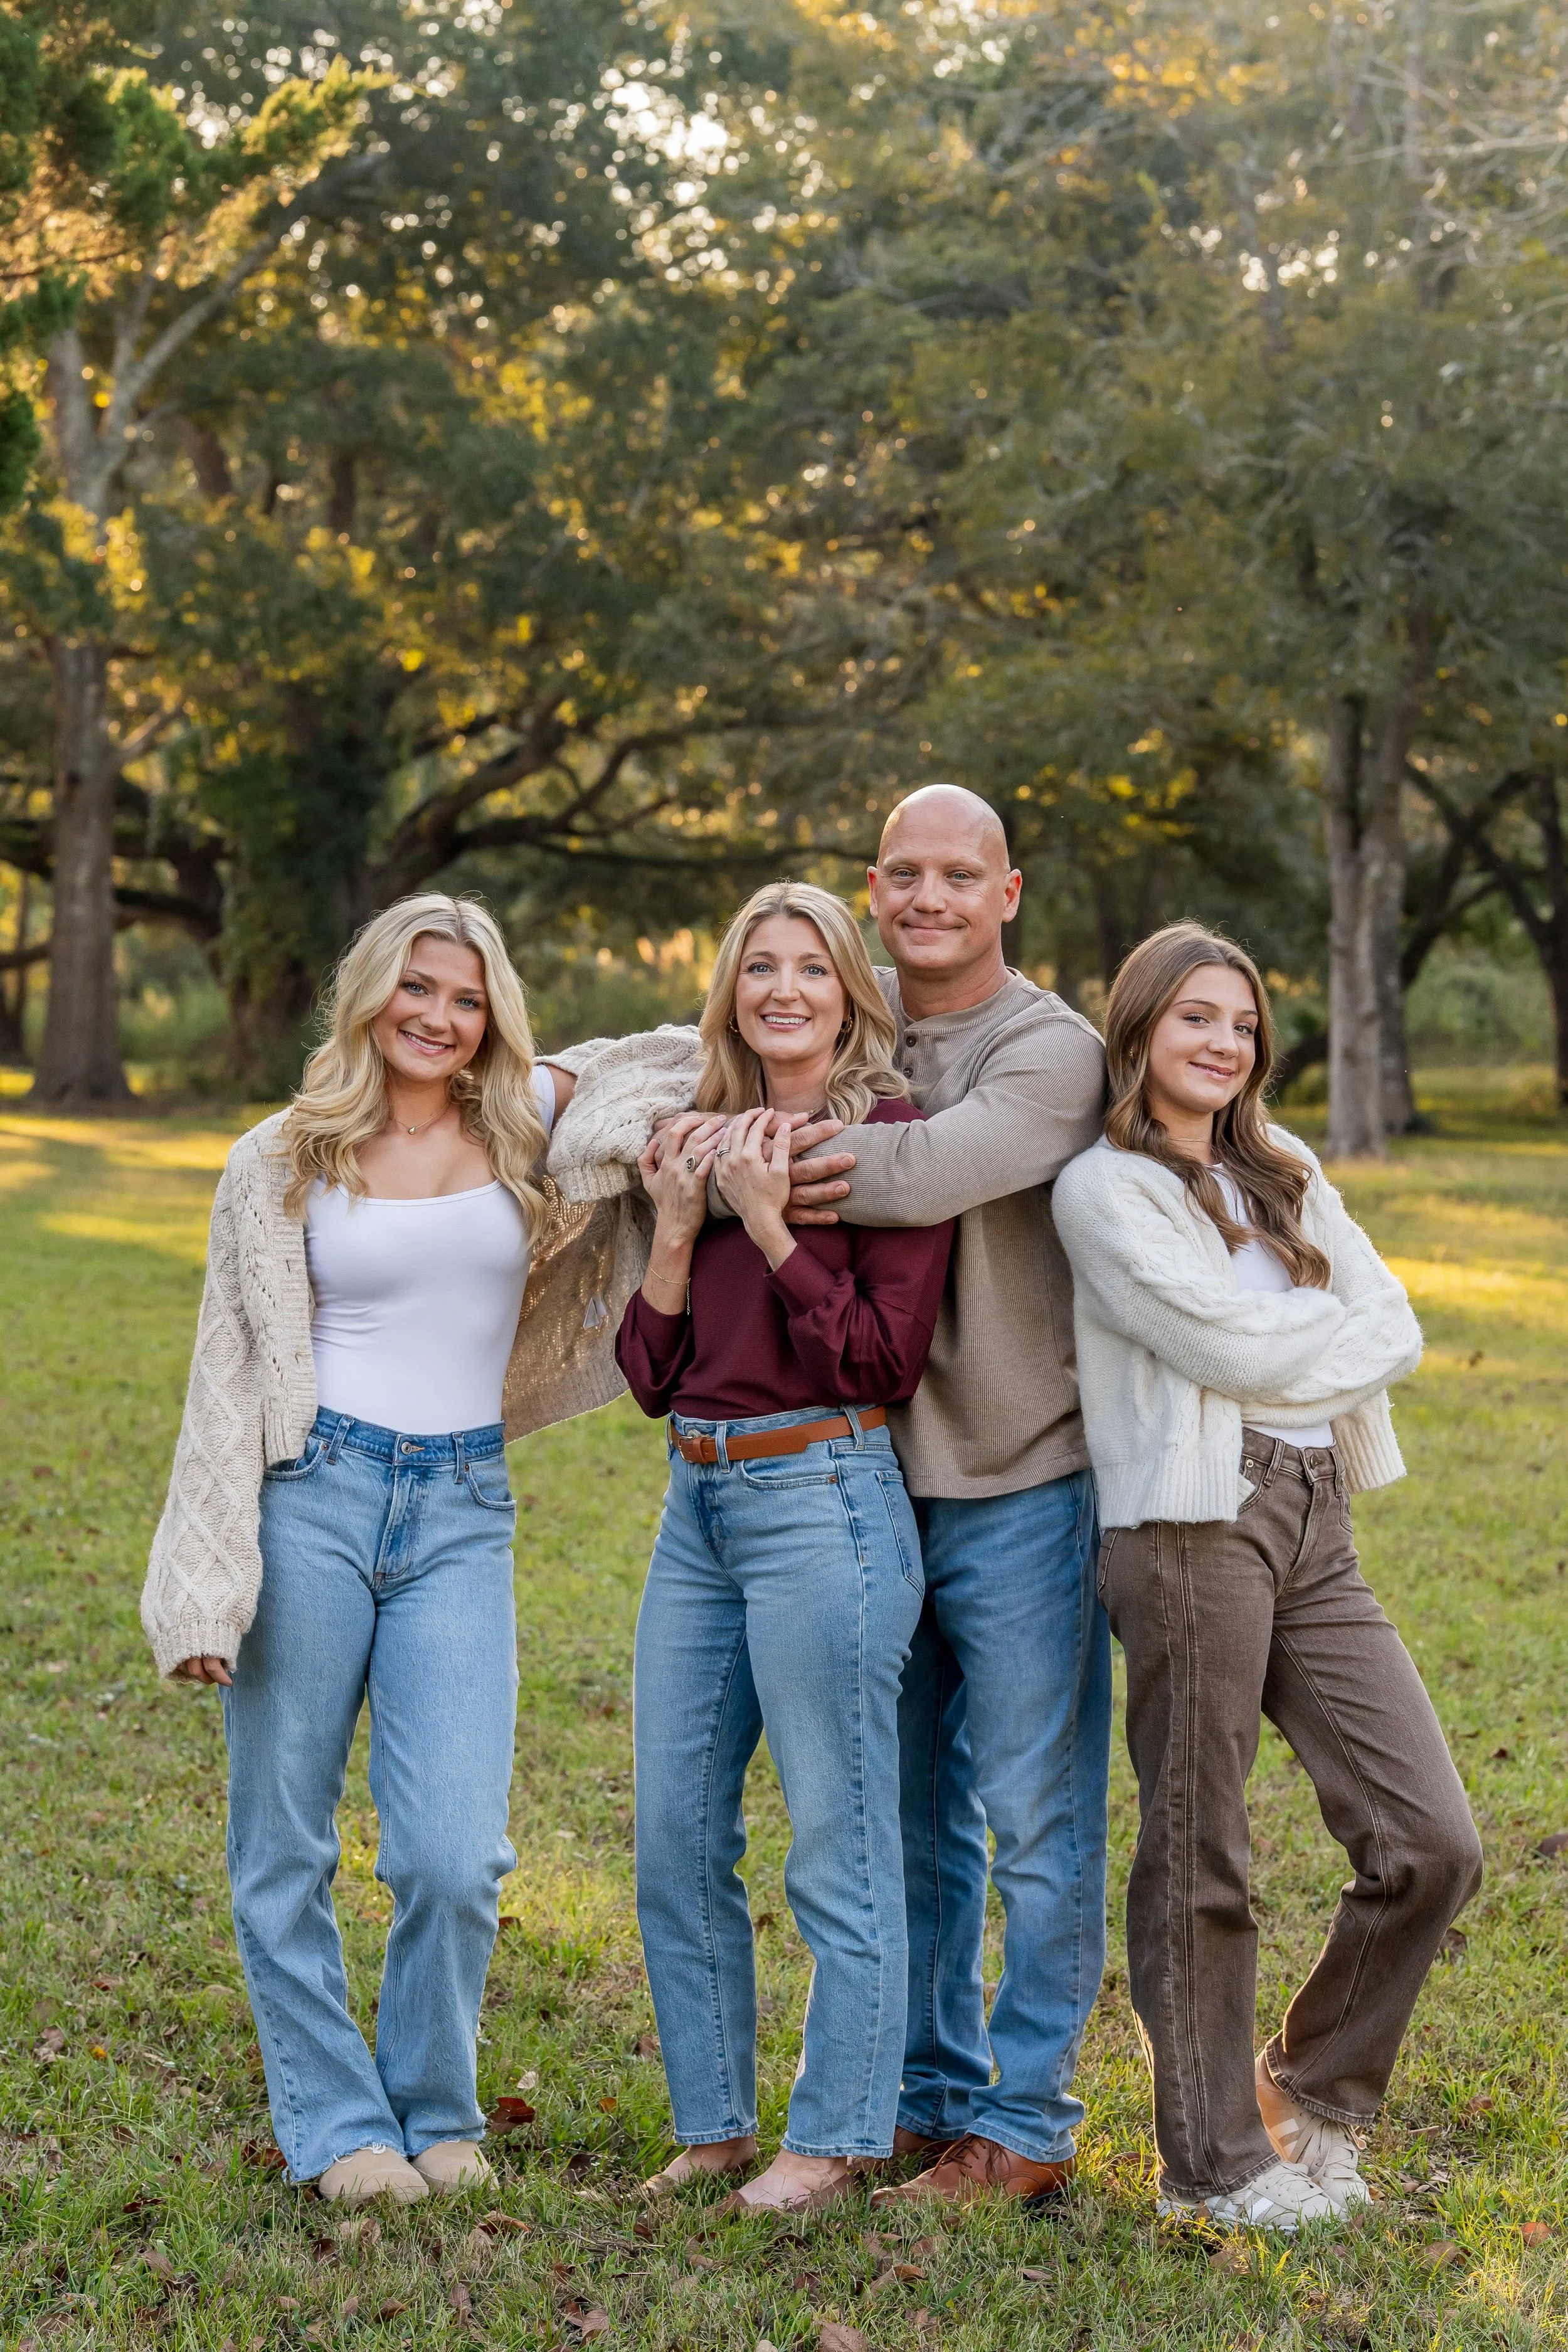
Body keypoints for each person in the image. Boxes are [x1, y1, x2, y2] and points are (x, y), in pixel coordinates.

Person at [141, 894, 652, 2206]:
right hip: (313, 1492)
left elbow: (677, 1051)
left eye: (466, 997)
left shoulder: (530, 1126)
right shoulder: (280, 1159)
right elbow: (226, 1378)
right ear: (369, 994)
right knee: (285, 1839)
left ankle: (435, 2106)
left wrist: (860, 970)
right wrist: (201, 1587)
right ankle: (334, 2121)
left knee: (452, 1855)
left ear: (494, 1017)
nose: (437, 1016)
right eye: (416, 988)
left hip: (460, 1513)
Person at [1051, 922, 1483, 2231]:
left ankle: (1307, 2090)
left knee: (1429, 1842)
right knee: (1201, 1848)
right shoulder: (1104, 1189)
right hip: (1192, 1522)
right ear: (1137, 1030)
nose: (1221, 1043)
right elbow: (1218, 1341)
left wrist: (1314, 1345)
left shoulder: (1283, 1167)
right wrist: (1326, 1338)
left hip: (1314, 1515)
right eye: (1193, 1017)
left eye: (1238, 1023)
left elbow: (1394, 1321)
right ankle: (1214, 2166)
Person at [765, 786, 1111, 2208]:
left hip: (1022, 1473)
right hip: (863, 1482)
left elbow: (907, 1176)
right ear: (869, 885)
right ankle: (926, 2092)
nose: (928, 898)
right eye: (902, 874)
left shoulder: (1054, 1051)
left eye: (957, 875)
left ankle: (1025, 2125)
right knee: (903, 1817)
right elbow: (696, 1051)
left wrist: (744, 1163)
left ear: (1006, 892)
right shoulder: (845, 1023)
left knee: (1037, 1821)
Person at [608, 882, 954, 2213]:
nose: (785, 990)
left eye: (813, 966)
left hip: (826, 1496)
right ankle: (711, 2127)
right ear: (731, 990)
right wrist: (686, 1226)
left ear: (848, 990)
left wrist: (770, 1222)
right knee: (674, 1832)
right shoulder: (690, 1134)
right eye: (761, 967)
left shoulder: (891, 1143)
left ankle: (837, 2132)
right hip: (693, 1499)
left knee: (838, 1837)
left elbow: (882, 1357)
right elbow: (648, 1371)